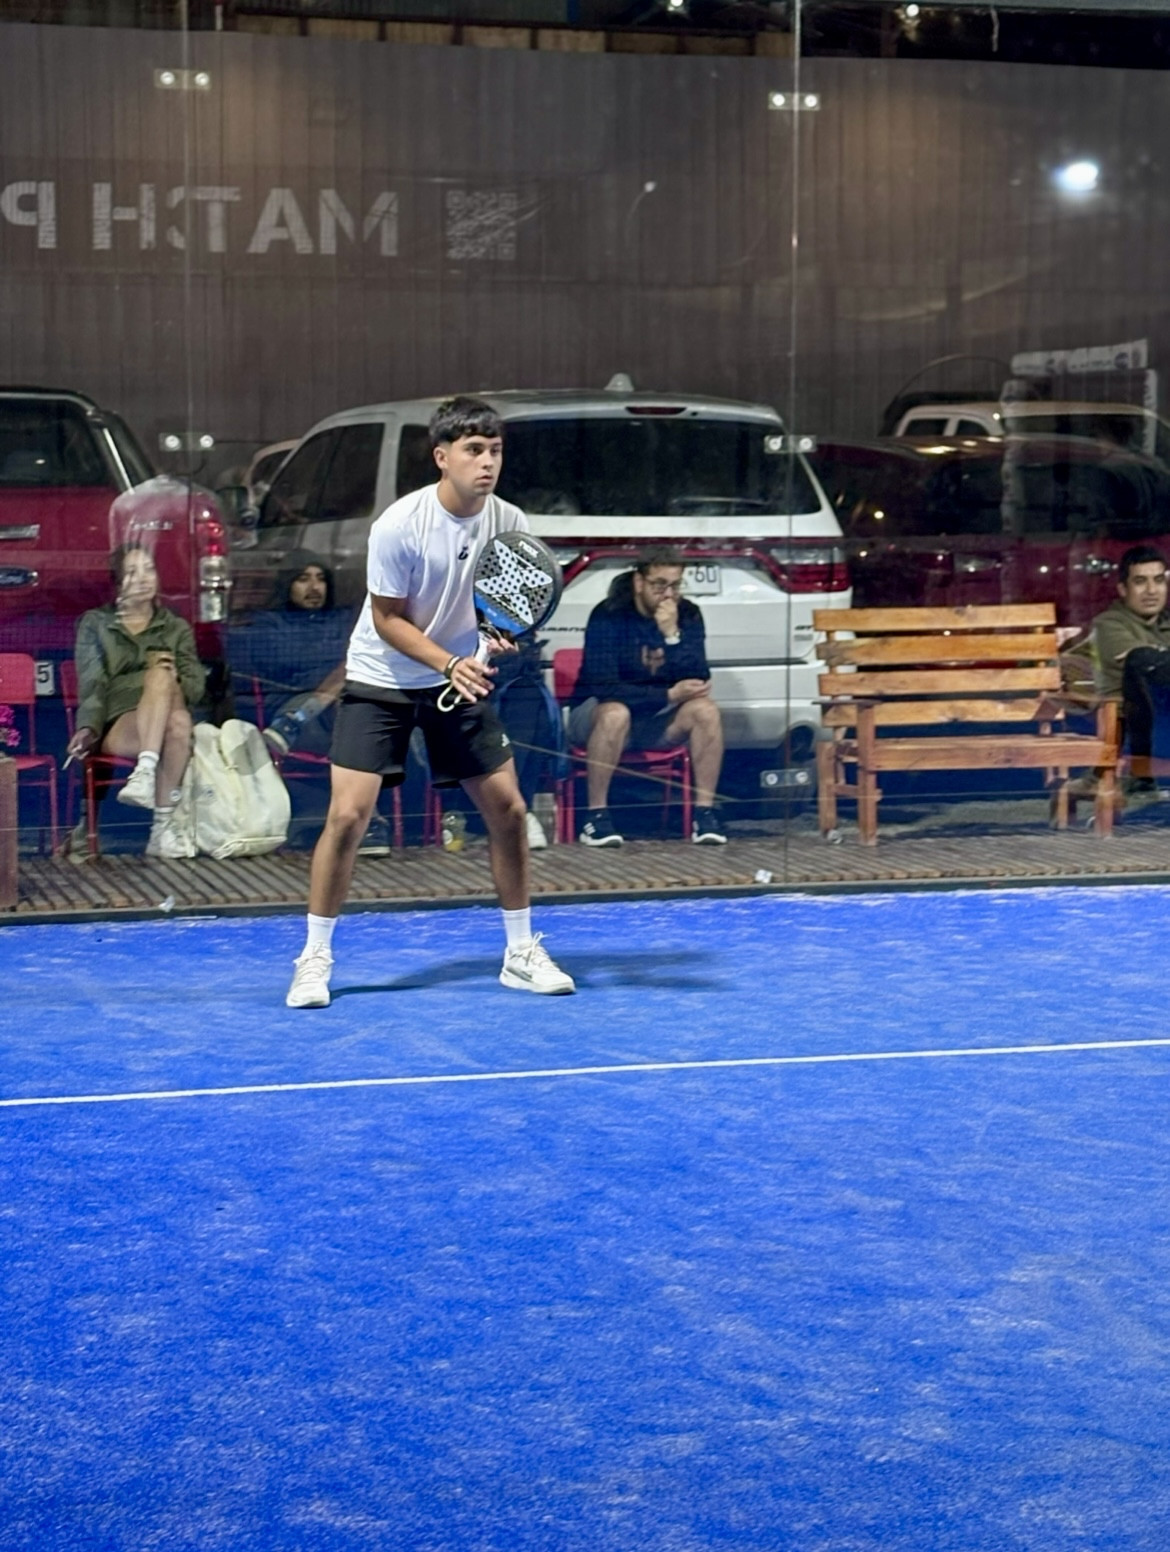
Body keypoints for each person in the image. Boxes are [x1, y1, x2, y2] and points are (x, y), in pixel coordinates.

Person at [285, 396, 575, 1008]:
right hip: (383, 678)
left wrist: (494, 637)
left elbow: (500, 604)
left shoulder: (509, 521)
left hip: (457, 678)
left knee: (509, 810)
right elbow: (387, 619)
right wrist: (447, 661)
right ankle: (313, 959)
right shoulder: (399, 524)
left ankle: (520, 952)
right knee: (347, 817)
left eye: (495, 450)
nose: (487, 462)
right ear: (442, 457)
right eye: (474, 450)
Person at [569, 544, 726, 846]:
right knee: (616, 712)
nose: (668, 595)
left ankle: (705, 814)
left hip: (654, 721)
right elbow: (605, 686)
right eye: (659, 585)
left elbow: (698, 678)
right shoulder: (609, 615)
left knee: (705, 710)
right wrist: (668, 695)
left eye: (675, 586)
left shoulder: (687, 614)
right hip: (596, 718)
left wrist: (672, 636)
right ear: (639, 582)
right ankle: (596, 816)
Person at [66, 543, 206, 858]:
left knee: (162, 678)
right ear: (117, 583)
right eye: (131, 572)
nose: (143, 578)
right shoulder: (96, 624)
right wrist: (88, 728)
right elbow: (92, 683)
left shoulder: (176, 627)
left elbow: (196, 687)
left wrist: (174, 679)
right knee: (179, 724)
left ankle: (145, 772)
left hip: (171, 706)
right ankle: (162, 828)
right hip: (122, 721)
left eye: (149, 569)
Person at [1090, 543, 1170, 797]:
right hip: (1132, 715)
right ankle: (1141, 776)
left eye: (1159, 580)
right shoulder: (1108, 624)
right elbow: (1141, 662)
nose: (1151, 591)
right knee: (1140, 658)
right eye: (1140, 581)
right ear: (1123, 589)